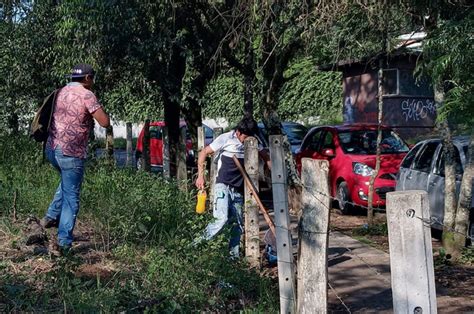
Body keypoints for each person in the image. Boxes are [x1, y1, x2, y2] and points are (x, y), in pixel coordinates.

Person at [40, 63, 110, 254]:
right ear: (87, 78)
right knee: (72, 198)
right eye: (92, 77)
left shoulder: (61, 91)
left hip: (52, 150)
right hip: (71, 153)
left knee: (67, 183)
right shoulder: (87, 94)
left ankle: (50, 216)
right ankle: (64, 242)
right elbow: (105, 122)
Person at [194, 117, 270, 258]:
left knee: (237, 225)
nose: (247, 139)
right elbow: (203, 152)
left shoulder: (253, 141)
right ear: (239, 132)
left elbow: (265, 155)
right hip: (223, 186)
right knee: (220, 220)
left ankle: (233, 259)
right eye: (245, 136)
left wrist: (273, 173)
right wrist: (200, 176)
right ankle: (195, 246)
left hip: (239, 190)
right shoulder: (226, 138)